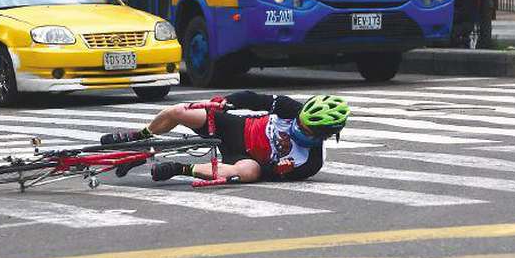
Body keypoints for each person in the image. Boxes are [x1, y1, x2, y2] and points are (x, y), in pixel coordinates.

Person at [100, 92, 350, 183]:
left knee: (249, 172)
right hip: (236, 128)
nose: (299, 127)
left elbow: (268, 173)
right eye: (300, 122)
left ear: (324, 135)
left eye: (306, 130)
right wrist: (226, 103)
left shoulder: (310, 162)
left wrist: (277, 170)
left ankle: (179, 168)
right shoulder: (290, 108)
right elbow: (255, 100)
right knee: (180, 111)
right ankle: (140, 135)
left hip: (246, 157)